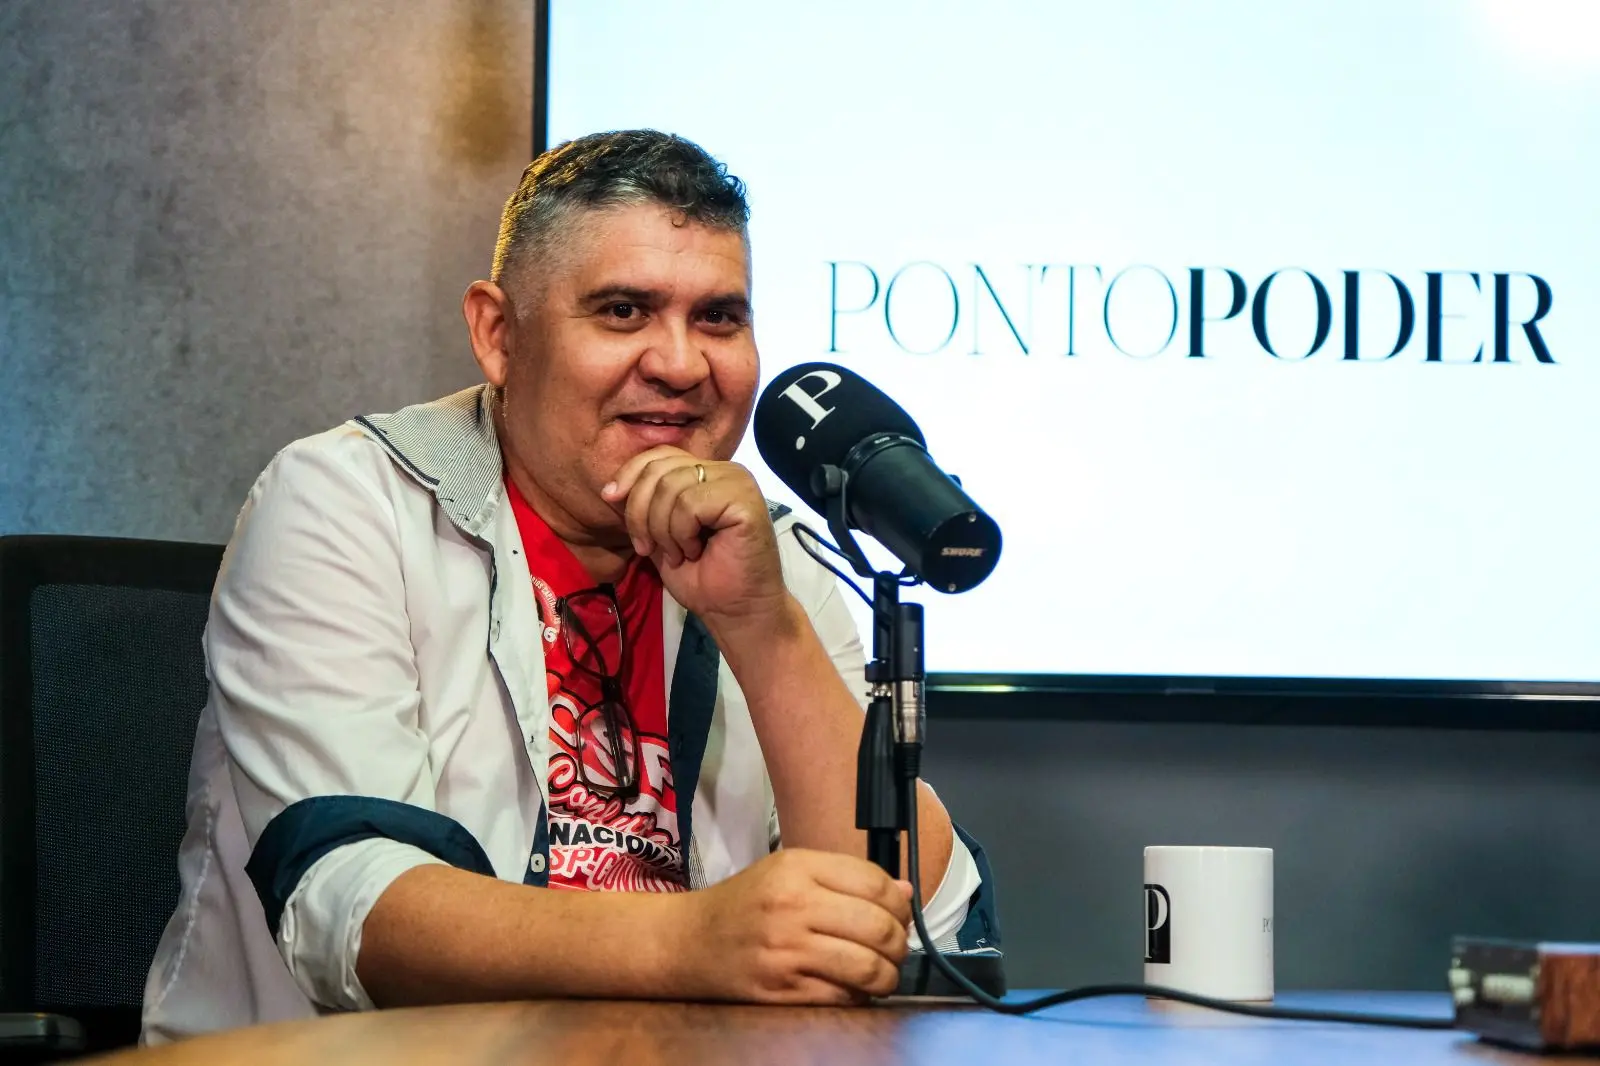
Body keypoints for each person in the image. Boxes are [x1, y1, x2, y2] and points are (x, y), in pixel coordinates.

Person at [140, 130, 999, 1044]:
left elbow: (923, 923)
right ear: (499, 334)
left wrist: (761, 625)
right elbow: (352, 910)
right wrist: (688, 942)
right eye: (625, 311)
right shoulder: (347, 500)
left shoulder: (770, 554)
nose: (680, 364)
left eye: (719, 318)